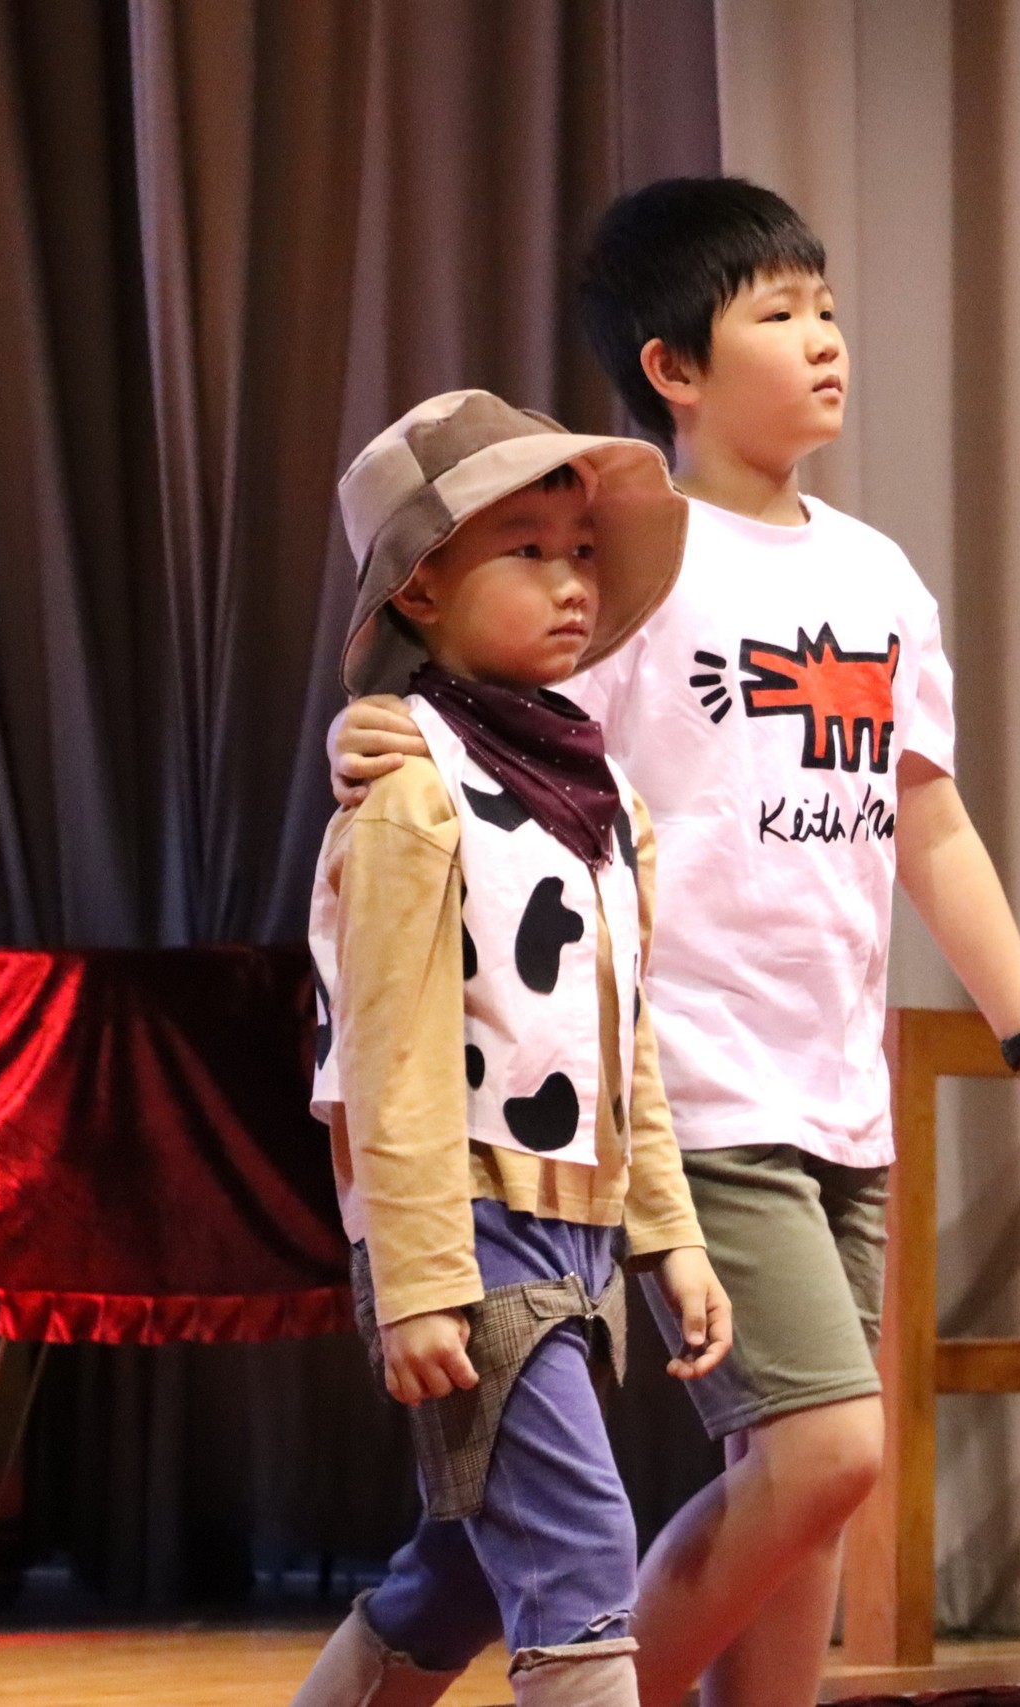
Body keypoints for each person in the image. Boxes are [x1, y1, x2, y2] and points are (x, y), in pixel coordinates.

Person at [329, 179, 1020, 1707]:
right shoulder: (637, 569)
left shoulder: (877, 578)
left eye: (828, 310)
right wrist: (383, 729)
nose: (824, 341)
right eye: (780, 313)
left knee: (801, 1492)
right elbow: (503, 726)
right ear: (673, 367)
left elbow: (929, 823)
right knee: (828, 1450)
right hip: (692, 1086)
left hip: (839, 1094)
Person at [293, 389, 732, 1707]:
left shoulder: (605, 805)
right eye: (525, 551)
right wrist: (421, 1280)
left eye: (581, 550)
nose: (570, 581)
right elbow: (391, 1055)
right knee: (580, 1546)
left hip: (574, 1221)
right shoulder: (411, 789)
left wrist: (669, 1236)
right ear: (421, 588)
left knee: (470, 1569)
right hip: (471, 1222)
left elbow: (620, 1040)